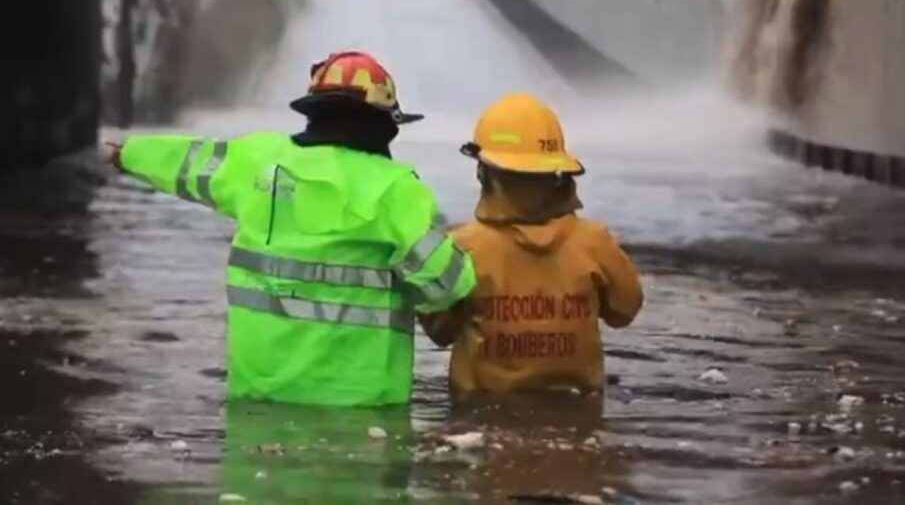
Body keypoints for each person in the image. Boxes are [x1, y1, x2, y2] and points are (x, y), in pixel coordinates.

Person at [108, 51, 476, 406]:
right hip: (362, 404)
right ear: (382, 124)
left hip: (257, 397)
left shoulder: (257, 161)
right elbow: (447, 285)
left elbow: (190, 162)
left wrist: (130, 154)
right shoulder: (396, 190)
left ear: (314, 113)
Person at [420, 93, 643, 396]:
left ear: (485, 173)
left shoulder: (464, 247)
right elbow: (626, 310)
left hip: (482, 419)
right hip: (578, 414)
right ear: (559, 175)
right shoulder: (595, 243)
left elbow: (439, 330)